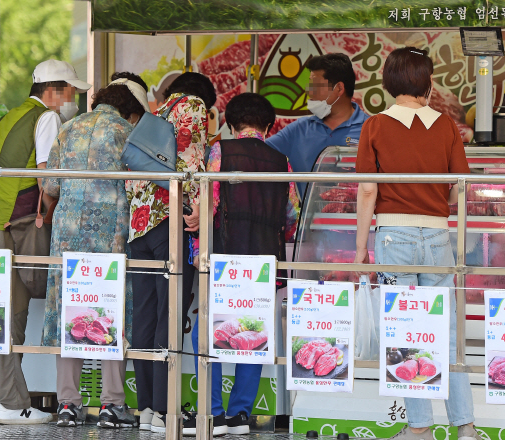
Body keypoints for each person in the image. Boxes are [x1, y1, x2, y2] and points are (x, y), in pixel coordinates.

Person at [0, 60, 89, 425]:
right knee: (5, 313)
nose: (73, 97)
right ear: (53, 91)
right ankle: (11, 403)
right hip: (7, 227)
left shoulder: (8, 116)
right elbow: (46, 179)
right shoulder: (47, 118)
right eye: (70, 90)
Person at [354, 47, 481, 440]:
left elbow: (366, 192)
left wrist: (360, 249)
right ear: (428, 83)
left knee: (406, 332)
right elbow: (458, 192)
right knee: (446, 333)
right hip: (439, 236)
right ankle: (466, 426)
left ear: (389, 83)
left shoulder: (375, 125)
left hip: (394, 236)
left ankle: (419, 427)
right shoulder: (445, 125)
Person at [185, 93, 298, 437]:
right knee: (253, 330)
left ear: (231, 125)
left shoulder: (222, 151)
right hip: (264, 257)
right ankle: (239, 414)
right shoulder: (282, 160)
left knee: (209, 328)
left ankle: (213, 412)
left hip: (223, 253)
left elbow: (208, 201)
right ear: (269, 125)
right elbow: (291, 212)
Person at [41, 72, 149, 429]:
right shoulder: (127, 132)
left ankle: (68, 404)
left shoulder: (68, 128)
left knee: (68, 313)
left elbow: (50, 184)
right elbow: (140, 184)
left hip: (67, 237)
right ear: (131, 109)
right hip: (110, 237)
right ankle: (112, 405)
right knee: (108, 313)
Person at [126, 72, 216, 434]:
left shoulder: (155, 112)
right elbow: (191, 163)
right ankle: (166, 409)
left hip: (139, 225)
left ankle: (146, 406)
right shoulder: (192, 107)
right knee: (170, 314)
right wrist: (196, 207)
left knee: (144, 315)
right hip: (168, 221)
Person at [266, 53, 369, 199]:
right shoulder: (298, 130)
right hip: (310, 221)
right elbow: (259, 154)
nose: (309, 91)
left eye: (315, 85)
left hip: (360, 220)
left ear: (339, 89)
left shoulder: (371, 129)